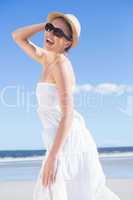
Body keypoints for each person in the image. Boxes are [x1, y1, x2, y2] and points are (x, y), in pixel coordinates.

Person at [12, 11, 121, 200]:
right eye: (50, 29)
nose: (51, 35)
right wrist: (43, 26)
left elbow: (68, 114)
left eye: (58, 33)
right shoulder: (47, 58)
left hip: (67, 144)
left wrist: (53, 157)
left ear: (68, 43)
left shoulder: (60, 65)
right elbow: (17, 36)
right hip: (57, 141)